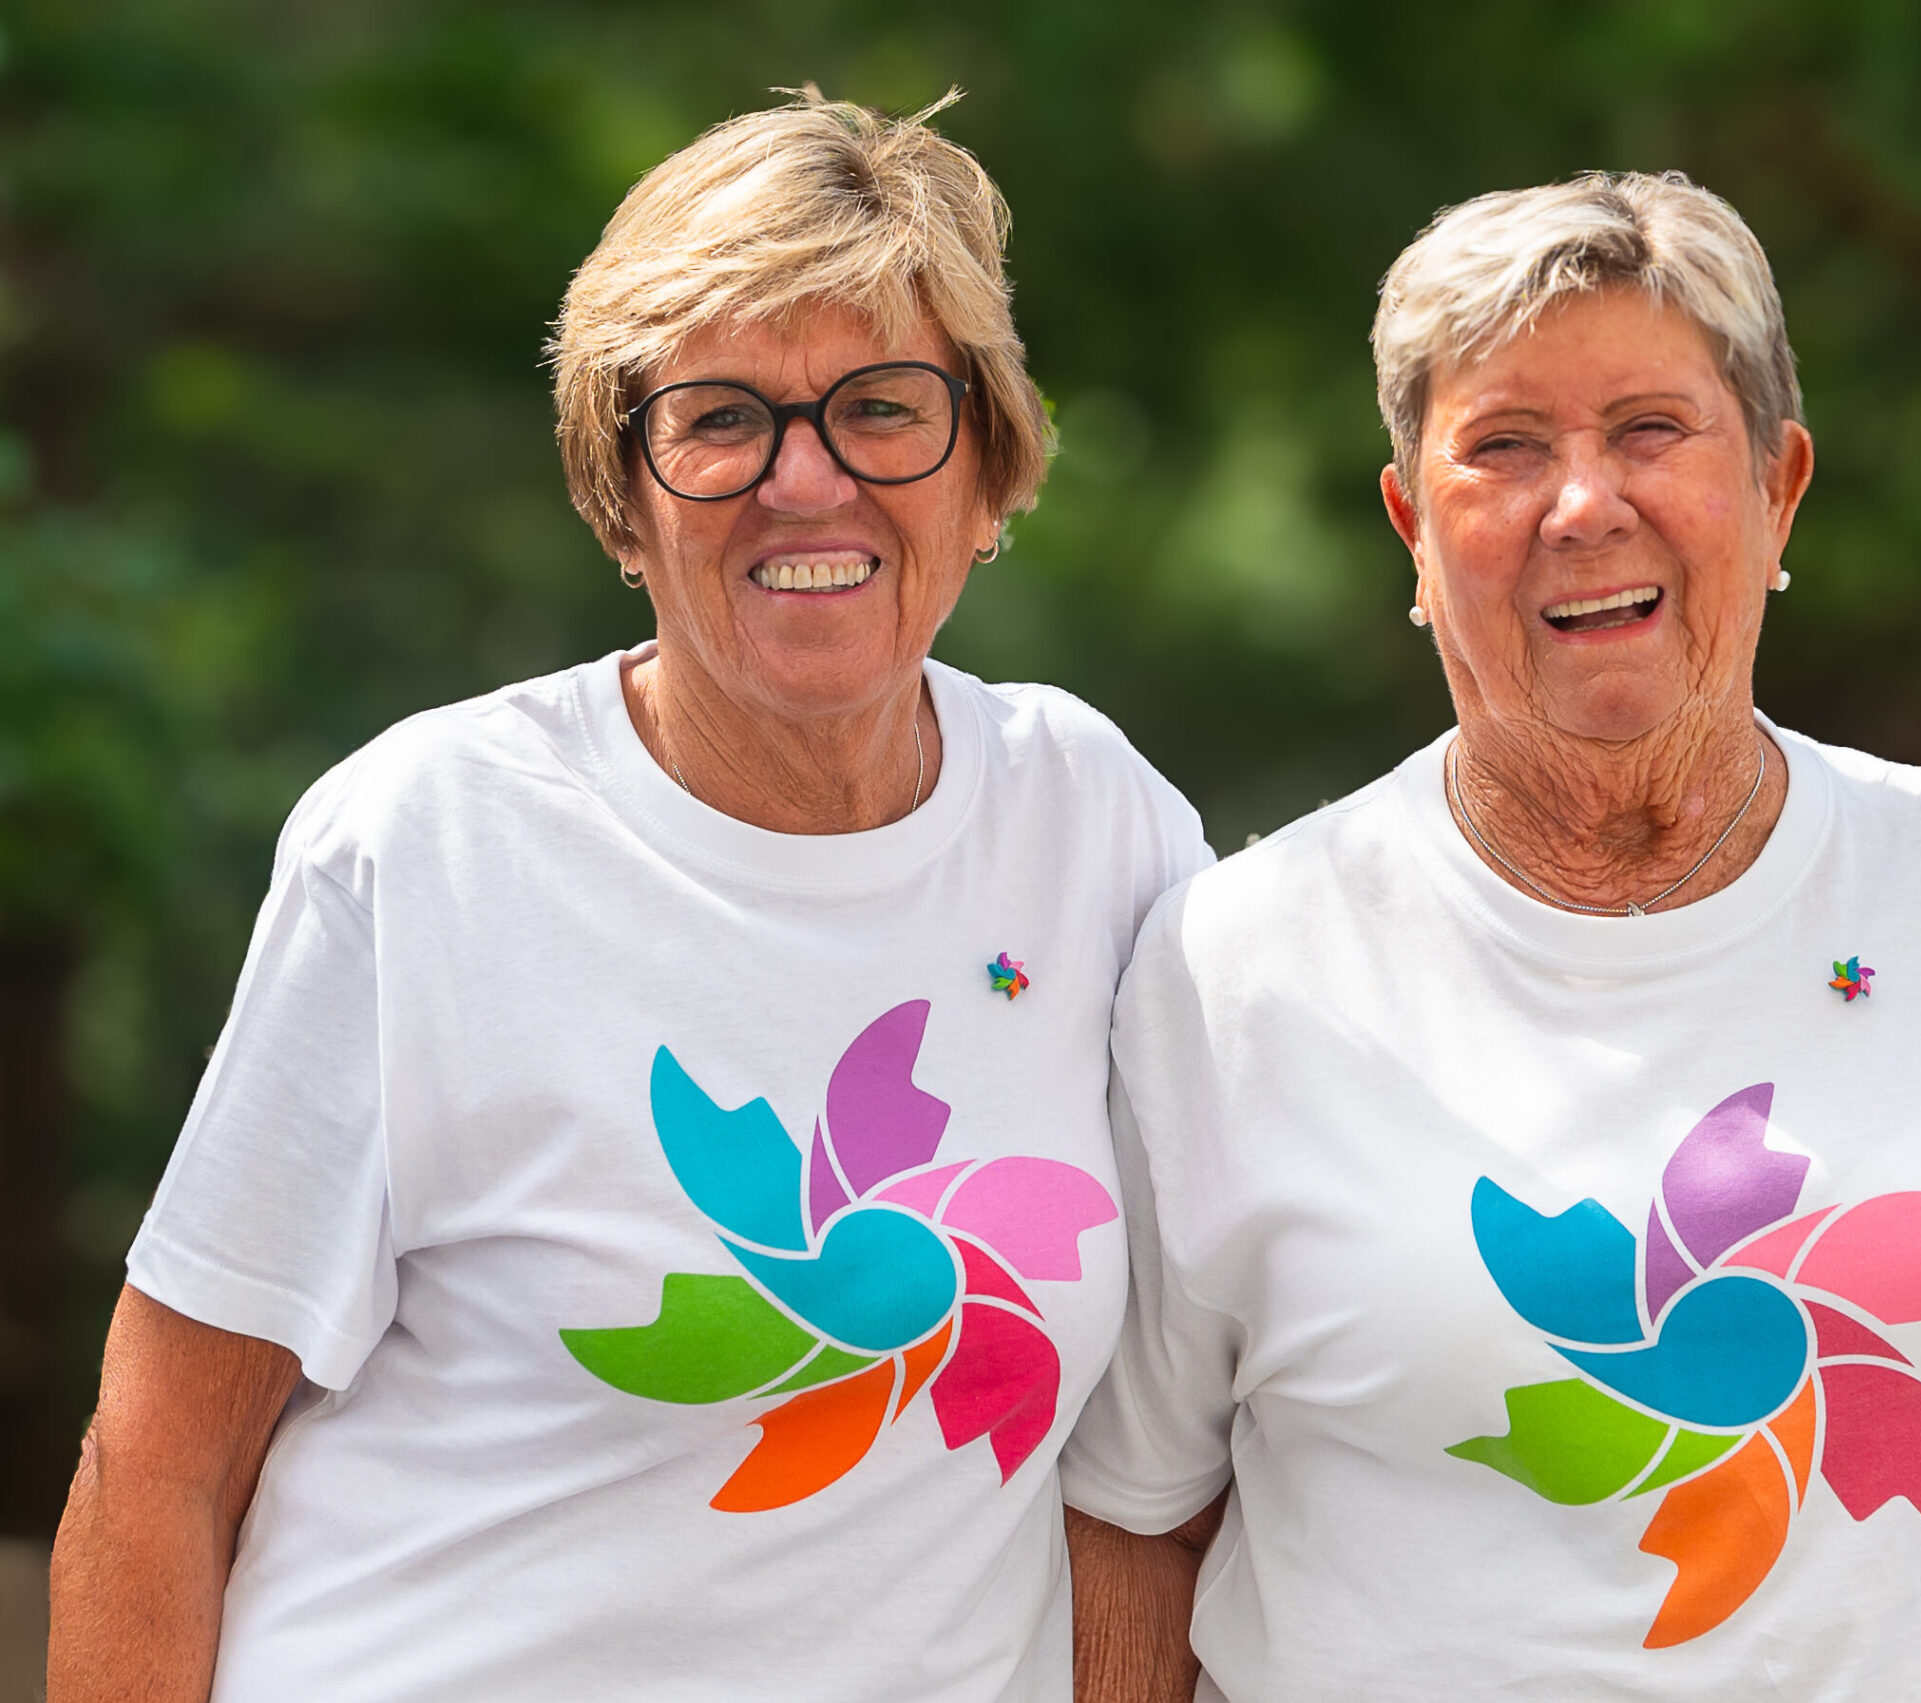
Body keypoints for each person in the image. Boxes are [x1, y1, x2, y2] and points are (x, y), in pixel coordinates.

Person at [1064, 173, 1921, 1702]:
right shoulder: (1236, 968)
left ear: (1778, 488)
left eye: (1652, 431)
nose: (1584, 504)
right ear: (1411, 526)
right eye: (1505, 447)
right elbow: (1133, 1524)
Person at [49, 93, 1209, 1703]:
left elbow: (1219, 1385)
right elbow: (157, 1466)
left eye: (883, 407)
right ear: (623, 485)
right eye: (720, 417)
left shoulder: (1098, 826)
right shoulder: (429, 838)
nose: (807, 483)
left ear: (988, 458)